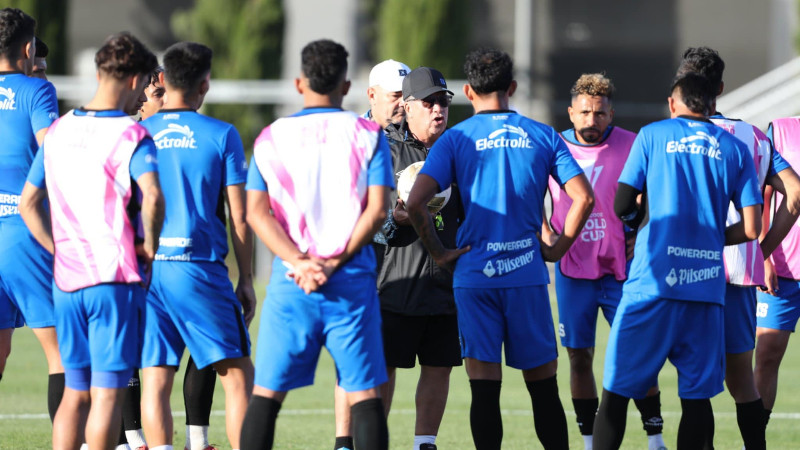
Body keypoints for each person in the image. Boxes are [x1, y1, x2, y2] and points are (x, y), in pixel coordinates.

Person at [406, 47, 593, 450]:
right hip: (526, 277)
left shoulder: (455, 139)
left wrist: (439, 253)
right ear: (512, 87)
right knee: (544, 389)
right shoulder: (542, 135)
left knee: (484, 391)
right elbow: (585, 198)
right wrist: (557, 248)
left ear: (469, 90)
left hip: (475, 279)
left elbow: (415, 203)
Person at [592, 72, 762, 449]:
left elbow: (622, 204)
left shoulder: (653, 135)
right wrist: (712, 237)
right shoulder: (735, 149)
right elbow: (752, 229)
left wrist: (641, 227)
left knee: (616, 392)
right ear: (713, 104)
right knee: (697, 400)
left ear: (673, 104)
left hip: (652, 284)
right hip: (705, 290)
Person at [240, 38, 392, 450]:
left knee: (266, 395)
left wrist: (300, 262)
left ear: (299, 82)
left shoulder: (271, 137)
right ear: (346, 85)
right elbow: (378, 210)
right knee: (364, 395)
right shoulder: (369, 135)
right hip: (351, 283)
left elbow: (255, 213)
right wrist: (333, 261)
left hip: (293, 283)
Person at [19, 31, 163, 450]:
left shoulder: (60, 130)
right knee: (106, 394)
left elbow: (29, 203)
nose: (146, 98)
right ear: (133, 79)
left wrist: (57, 249)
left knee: (74, 392)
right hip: (113, 280)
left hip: (66, 282)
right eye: (148, 83)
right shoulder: (131, 134)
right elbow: (153, 195)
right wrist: (150, 246)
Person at [676, 46, 800, 450]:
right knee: (742, 379)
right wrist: (761, 249)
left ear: (678, 89)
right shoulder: (753, 136)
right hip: (740, 271)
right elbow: (795, 194)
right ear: (721, 88)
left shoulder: (668, 136)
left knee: (695, 377)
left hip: (687, 269)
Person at [137, 41, 255, 450]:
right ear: (205, 84)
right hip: (199, 269)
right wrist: (247, 280)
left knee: (155, 379)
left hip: (149, 271)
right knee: (238, 376)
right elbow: (240, 217)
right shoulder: (221, 135)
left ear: (164, 79)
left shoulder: (138, 131)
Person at [543, 73, 666, 450]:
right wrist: (546, 234)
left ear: (611, 113)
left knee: (638, 355)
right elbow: (529, 195)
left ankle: (655, 438)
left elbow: (656, 196)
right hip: (572, 272)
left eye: (599, 113)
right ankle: (586, 441)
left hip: (622, 273)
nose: (591, 121)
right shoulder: (553, 146)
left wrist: (639, 234)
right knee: (579, 358)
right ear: (570, 112)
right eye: (584, 113)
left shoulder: (633, 144)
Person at [374, 66, 462, 450]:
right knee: (385, 366)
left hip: (446, 282)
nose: (438, 109)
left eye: (443, 101)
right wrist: (394, 220)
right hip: (397, 279)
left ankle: (425, 443)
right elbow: (370, 223)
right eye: (429, 103)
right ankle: (373, 439)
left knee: (439, 364)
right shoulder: (385, 150)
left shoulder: (461, 148)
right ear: (408, 107)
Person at [332, 58, 409, 450]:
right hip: (356, 261)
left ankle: (371, 440)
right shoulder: (352, 136)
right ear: (372, 95)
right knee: (353, 356)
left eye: (407, 97)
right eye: (396, 97)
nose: (402, 105)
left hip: (399, 265)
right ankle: (344, 441)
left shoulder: (415, 139)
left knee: (387, 358)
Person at [0, 7, 64, 423]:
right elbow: (53, 153)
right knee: (63, 353)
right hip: (24, 232)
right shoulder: (35, 90)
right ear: (28, 48)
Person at [754, 115, 800, 436]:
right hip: (782, 272)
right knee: (767, 356)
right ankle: (754, 439)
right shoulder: (781, 129)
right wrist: (763, 254)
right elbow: (761, 196)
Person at [364, 59, 410, 129]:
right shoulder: (352, 134)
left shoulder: (426, 134)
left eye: (409, 95)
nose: (404, 102)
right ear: (372, 96)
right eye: (395, 95)